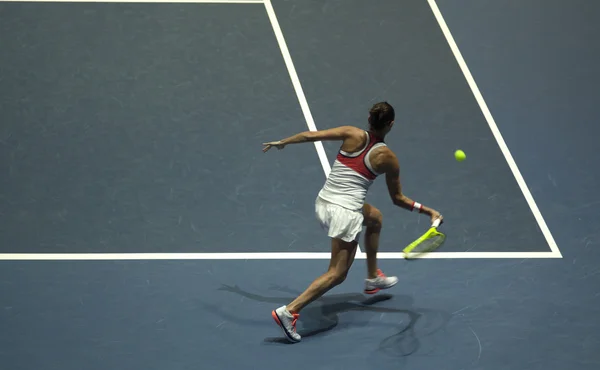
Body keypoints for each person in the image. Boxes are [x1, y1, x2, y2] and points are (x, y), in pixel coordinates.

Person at [262, 101, 443, 343]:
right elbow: (398, 198)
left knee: (375, 217)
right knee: (337, 274)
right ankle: (290, 311)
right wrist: (428, 211)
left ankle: (372, 278)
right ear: (391, 124)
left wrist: (283, 141)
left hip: (324, 203)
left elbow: (310, 135)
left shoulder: (351, 132)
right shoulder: (388, 158)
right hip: (344, 215)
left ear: (369, 119)